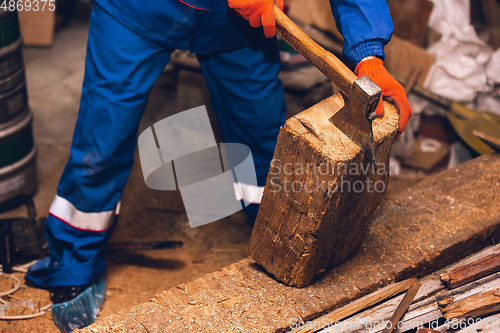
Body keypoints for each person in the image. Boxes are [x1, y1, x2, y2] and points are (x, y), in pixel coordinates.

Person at [25, 0, 411, 331]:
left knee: (262, 137)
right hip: (141, 11)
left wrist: (368, 52)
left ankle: (279, 237)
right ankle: (74, 260)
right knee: (103, 138)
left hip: (236, 23)